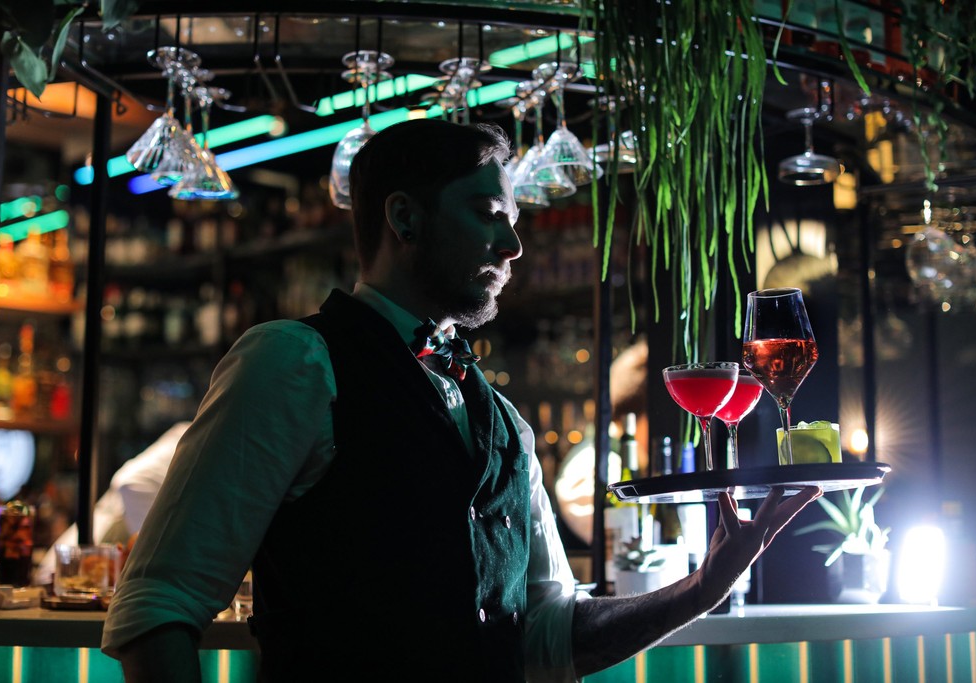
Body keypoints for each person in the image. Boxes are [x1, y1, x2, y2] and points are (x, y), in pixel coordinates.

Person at [101, 119, 821, 682]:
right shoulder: (293, 361)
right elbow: (157, 604)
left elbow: (547, 634)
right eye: (486, 212)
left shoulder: (500, 419)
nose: (512, 244)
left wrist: (702, 587)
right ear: (405, 219)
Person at [33, 421, 190, 587]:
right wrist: (161, 557)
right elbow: (131, 483)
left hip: (101, 579)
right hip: (69, 574)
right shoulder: (199, 433)